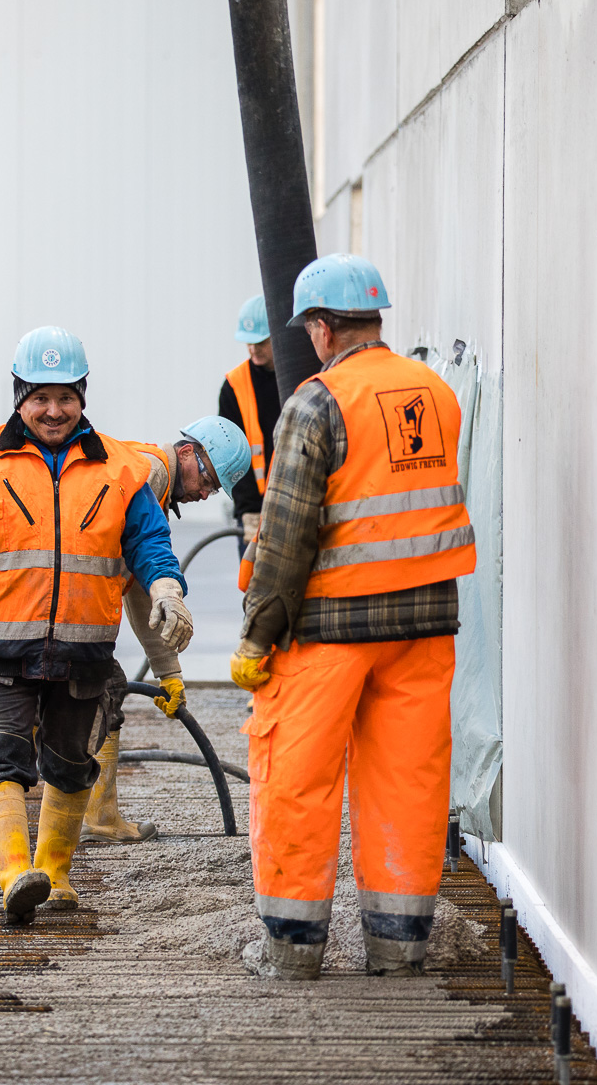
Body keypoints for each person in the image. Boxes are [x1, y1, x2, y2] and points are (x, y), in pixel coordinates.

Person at [0, 326, 197, 925]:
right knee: (0, 760)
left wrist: (166, 586)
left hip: (82, 652)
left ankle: (52, 876)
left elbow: (149, 541)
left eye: (66, 397)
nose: (53, 411)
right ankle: (12, 878)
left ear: (83, 396)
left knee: (73, 764)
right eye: (40, 398)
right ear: (19, 395)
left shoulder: (121, 470)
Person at [229, 254, 476, 979]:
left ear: (321, 326)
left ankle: (292, 951)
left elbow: (285, 537)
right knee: (409, 782)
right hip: (425, 629)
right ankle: (399, 947)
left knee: (296, 780)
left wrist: (257, 634)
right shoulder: (437, 393)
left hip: (329, 633)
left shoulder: (315, 402)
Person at [83, 415, 252, 843]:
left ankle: (88, 816)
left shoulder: (151, 485)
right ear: (185, 453)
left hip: (71, 608)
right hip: (70, 607)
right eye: (208, 480)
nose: (205, 493)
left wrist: (168, 672)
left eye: (213, 489)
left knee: (95, 697)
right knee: (99, 699)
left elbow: (141, 592)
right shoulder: (149, 471)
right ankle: (94, 822)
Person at [221, 294, 279, 553]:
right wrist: (248, 511)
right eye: (248, 342)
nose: (253, 349)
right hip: (253, 511)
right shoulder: (235, 386)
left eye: (261, 342)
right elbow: (229, 455)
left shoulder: (301, 375)